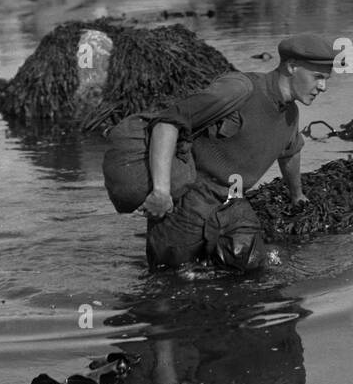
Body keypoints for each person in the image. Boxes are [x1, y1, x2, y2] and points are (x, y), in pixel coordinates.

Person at [139, 32, 335, 270]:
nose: (323, 87)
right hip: (187, 203)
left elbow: (290, 152)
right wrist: (160, 192)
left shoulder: (291, 114)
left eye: (326, 79)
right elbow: (166, 124)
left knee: (251, 270)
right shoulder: (239, 89)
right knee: (170, 283)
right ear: (292, 66)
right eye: (317, 77)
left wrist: (297, 195)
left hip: (233, 204)